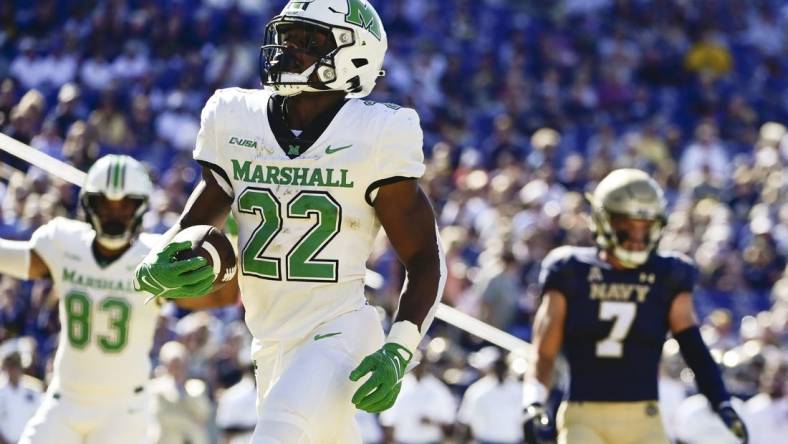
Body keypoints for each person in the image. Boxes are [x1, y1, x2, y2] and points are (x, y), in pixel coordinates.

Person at [134, 0, 446, 442]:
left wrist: (399, 348)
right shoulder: (235, 118)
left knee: (278, 429)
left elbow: (424, 256)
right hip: (268, 339)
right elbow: (195, 226)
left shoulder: (377, 133)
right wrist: (160, 260)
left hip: (339, 329)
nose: (286, 48)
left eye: (306, 40)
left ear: (355, 55)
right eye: (286, 35)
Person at [0, 155, 237, 444]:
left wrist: (232, 259)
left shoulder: (156, 257)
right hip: (64, 400)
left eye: (125, 206)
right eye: (105, 204)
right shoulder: (64, 242)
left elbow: (220, 297)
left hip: (123, 411)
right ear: (89, 205)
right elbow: (15, 259)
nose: (114, 214)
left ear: (140, 207)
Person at [521, 168, 748, 444]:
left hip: (644, 419)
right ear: (604, 220)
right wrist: (533, 401)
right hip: (583, 416)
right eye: (626, 226)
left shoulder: (668, 274)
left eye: (646, 225)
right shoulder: (570, 270)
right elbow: (544, 352)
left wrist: (720, 400)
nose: (637, 235)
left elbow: (693, 347)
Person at [0, 351, 42, 444]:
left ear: (21, 368)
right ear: (6, 368)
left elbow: (40, 416)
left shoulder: (33, 389)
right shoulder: (1, 392)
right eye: (10, 367)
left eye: (16, 366)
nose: (13, 370)